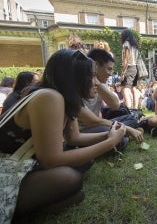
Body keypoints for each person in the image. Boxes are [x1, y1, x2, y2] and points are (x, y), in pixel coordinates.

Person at [0, 49, 127, 222]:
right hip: (8, 169)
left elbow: (74, 138)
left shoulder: (65, 99)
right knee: (70, 177)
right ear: (74, 78)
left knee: (82, 165)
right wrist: (110, 141)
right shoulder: (49, 97)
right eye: (91, 76)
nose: (96, 82)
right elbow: (50, 160)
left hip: (27, 165)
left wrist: (109, 135)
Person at [78, 48, 143, 144]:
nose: (110, 74)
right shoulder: (77, 87)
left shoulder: (100, 84)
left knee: (132, 118)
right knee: (114, 133)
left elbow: (116, 105)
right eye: (109, 69)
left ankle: (120, 137)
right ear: (95, 65)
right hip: (85, 130)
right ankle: (124, 139)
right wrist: (128, 129)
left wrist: (97, 82)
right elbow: (93, 121)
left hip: (98, 125)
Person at [121, 29, 140, 109]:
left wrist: (123, 72)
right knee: (133, 88)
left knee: (125, 88)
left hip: (129, 67)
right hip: (135, 67)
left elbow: (126, 58)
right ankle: (135, 108)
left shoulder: (126, 44)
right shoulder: (134, 45)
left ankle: (129, 108)